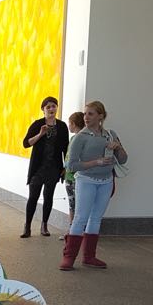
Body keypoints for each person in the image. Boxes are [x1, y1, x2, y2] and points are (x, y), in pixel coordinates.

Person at [61, 100, 128, 270]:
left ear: (101, 116)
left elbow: (123, 159)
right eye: (85, 114)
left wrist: (118, 148)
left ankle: (89, 257)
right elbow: (71, 166)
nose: (86, 117)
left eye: (90, 114)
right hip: (86, 181)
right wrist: (96, 162)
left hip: (106, 182)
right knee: (80, 217)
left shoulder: (111, 134)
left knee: (96, 218)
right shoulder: (80, 138)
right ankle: (68, 257)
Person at [21, 96, 69, 238]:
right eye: (48, 107)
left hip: (54, 168)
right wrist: (40, 134)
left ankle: (44, 225)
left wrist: (66, 167)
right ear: (43, 110)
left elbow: (66, 148)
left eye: (53, 106)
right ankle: (27, 226)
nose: (51, 109)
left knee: (49, 197)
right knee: (33, 197)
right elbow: (26, 143)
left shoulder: (62, 126)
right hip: (38, 168)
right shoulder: (37, 124)